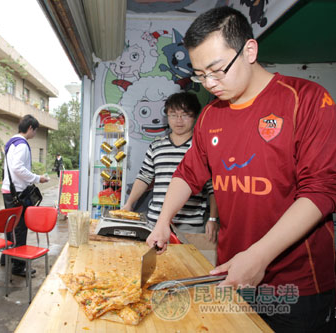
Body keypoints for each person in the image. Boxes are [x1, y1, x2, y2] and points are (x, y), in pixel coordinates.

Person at [147, 6, 336, 331]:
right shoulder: (210, 115)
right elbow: (187, 174)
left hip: (297, 284)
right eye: (200, 75)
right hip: (232, 274)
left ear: (249, 50)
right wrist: (163, 221)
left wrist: (260, 255)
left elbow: (321, 191)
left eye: (217, 70)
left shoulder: (305, 100)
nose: (209, 83)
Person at [122, 92, 218, 241]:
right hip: (155, 222)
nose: (179, 120)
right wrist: (128, 204)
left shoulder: (202, 148)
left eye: (185, 115)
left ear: (195, 116)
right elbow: (144, 177)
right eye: (173, 115)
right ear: (167, 116)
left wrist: (212, 219)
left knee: (188, 264)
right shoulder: (156, 146)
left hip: (190, 225)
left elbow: (213, 188)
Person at [0, 114, 49, 276]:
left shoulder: (11, 143)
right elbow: (18, 168)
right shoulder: (22, 144)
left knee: (10, 225)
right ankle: (19, 266)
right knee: (20, 228)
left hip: (8, 190)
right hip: (18, 192)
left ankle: (6, 257)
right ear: (30, 128)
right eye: (35, 130)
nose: (35, 134)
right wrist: (37, 178)